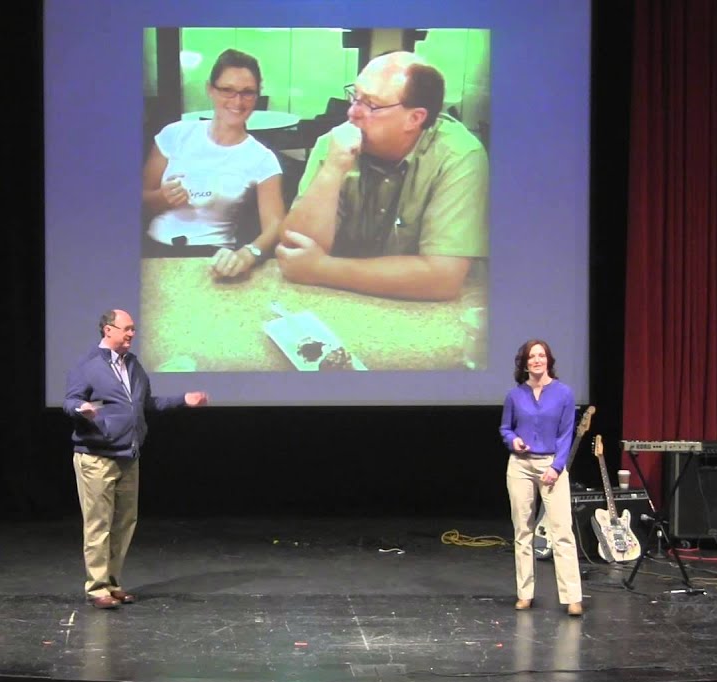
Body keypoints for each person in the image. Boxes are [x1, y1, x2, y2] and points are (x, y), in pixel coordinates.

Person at [277, 51, 488, 300]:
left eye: (371, 105)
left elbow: (443, 277)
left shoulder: (459, 156)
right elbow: (294, 251)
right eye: (355, 96)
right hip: (335, 302)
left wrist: (323, 269)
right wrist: (333, 169)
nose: (352, 112)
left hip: (423, 314)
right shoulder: (334, 144)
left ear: (414, 118)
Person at [64, 309, 209, 609]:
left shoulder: (132, 364)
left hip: (129, 456)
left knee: (124, 523)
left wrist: (183, 400)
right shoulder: (88, 365)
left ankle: (113, 582)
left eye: (133, 329)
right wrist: (82, 410)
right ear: (108, 330)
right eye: (126, 328)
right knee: (98, 525)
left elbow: (147, 404)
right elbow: (71, 400)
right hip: (96, 458)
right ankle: (97, 588)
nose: (132, 334)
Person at [143, 49, 285, 280]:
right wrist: (162, 198)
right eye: (227, 90)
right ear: (210, 89)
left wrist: (247, 255)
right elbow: (138, 201)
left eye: (247, 92)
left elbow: (276, 226)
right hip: (153, 252)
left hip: (213, 258)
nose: (237, 101)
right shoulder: (175, 135)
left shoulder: (262, 158)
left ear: (257, 95)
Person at [499, 339, 583, 616]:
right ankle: (525, 593)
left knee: (562, 531)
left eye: (541, 355)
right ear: (524, 363)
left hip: (551, 464)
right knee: (523, 531)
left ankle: (572, 597)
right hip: (520, 465)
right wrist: (513, 440)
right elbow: (505, 428)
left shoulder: (564, 393)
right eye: (531, 356)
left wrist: (556, 467)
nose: (537, 360)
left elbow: (566, 434)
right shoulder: (515, 395)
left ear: (548, 360)